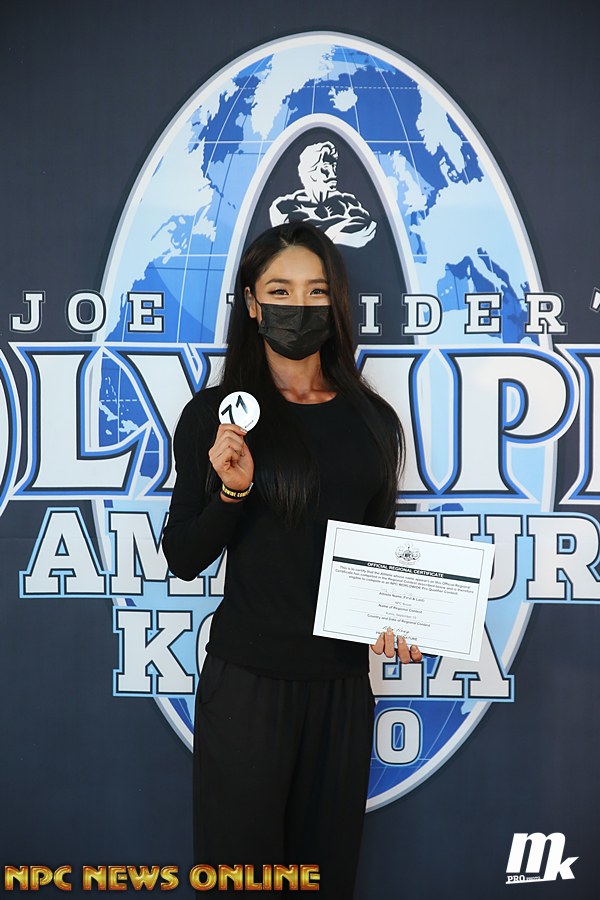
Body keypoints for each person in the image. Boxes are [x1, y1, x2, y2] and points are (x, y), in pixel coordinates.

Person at [162, 222, 421, 898]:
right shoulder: (215, 418)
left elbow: (378, 557)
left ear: (336, 303)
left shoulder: (373, 420)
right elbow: (184, 556)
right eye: (279, 290)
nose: (298, 306)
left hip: (341, 689)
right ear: (252, 303)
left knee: (323, 883)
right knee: (242, 883)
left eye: (316, 291)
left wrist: (396, 621)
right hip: (247, 689)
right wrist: (233, 491)